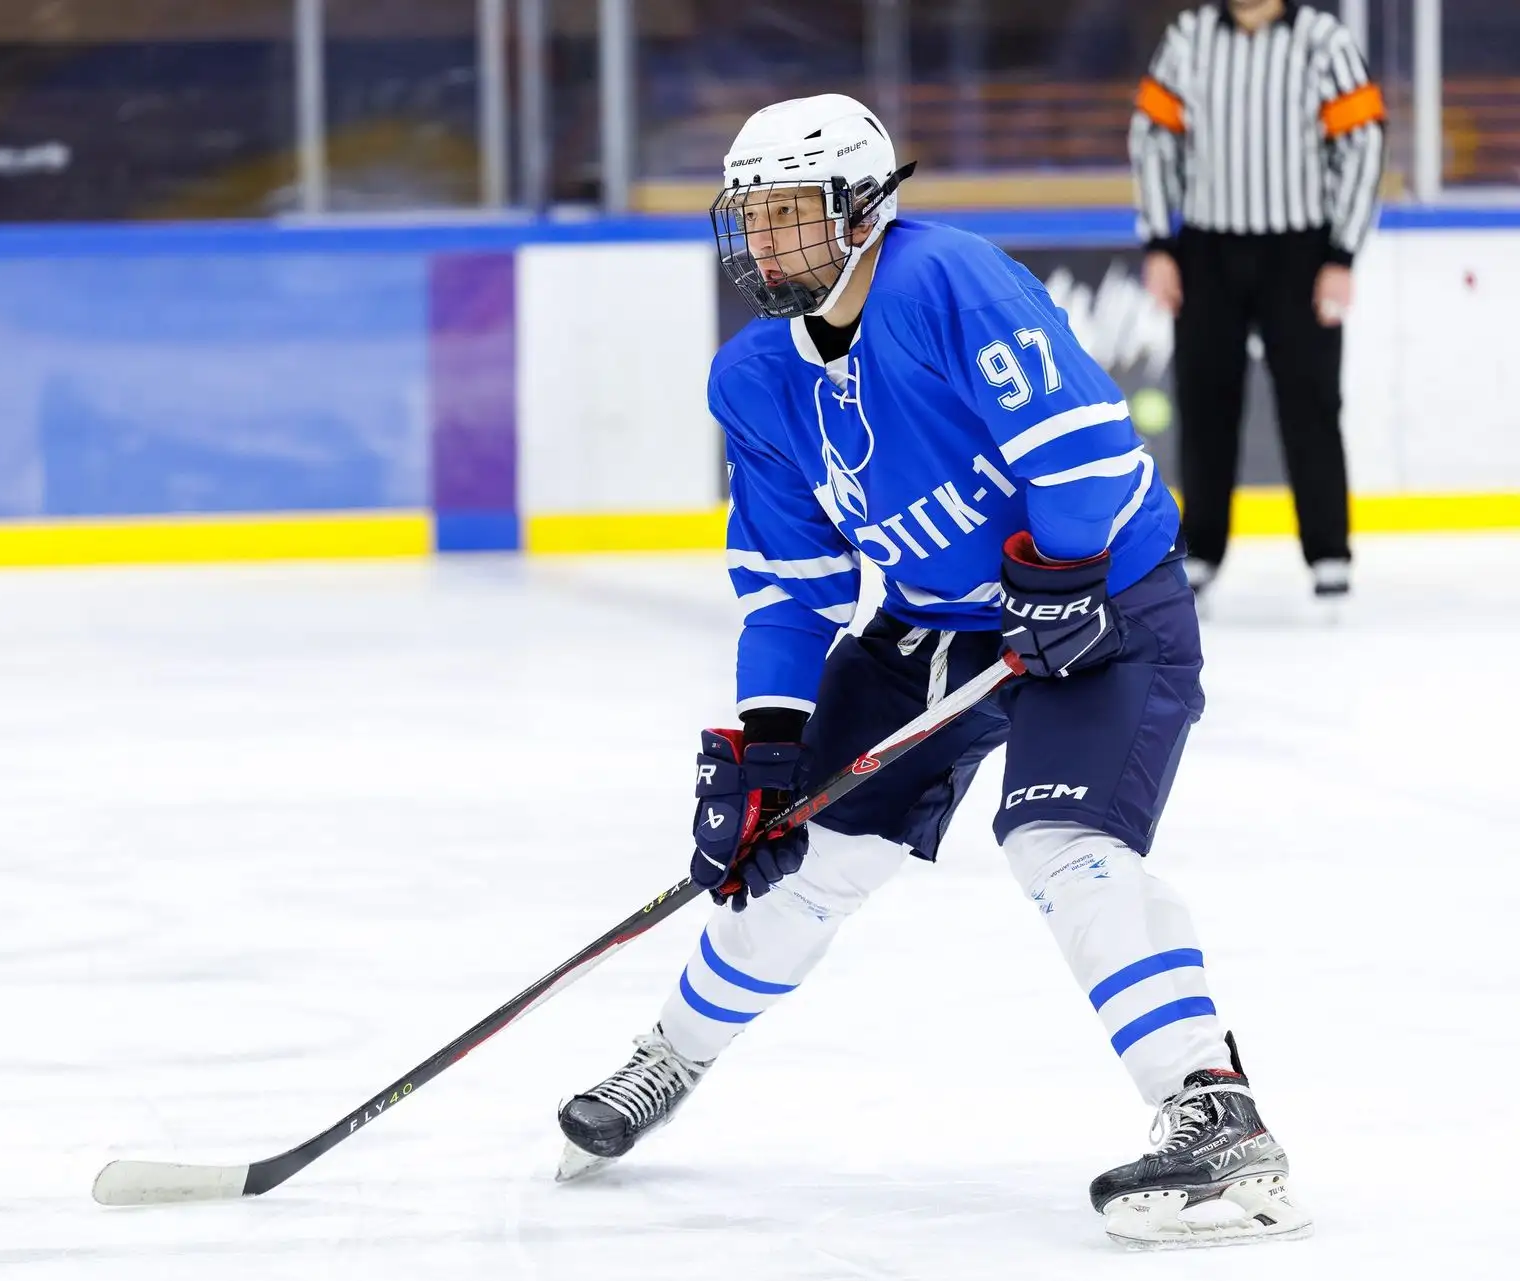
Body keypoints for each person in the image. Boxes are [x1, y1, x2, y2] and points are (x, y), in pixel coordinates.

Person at [552, 93, 1310, 1250]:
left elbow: (1083, 448)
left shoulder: (946, 280)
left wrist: (1062, 575)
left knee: (1061, 843)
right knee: (801, 852)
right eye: (751, 218)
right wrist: (768, 745)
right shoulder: (753, 378)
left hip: (1104, 602)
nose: (765, 243)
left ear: (863, 210)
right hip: (931, 630)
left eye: (791, 214)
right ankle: (669, 1057)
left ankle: (1218, 1118)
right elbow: (790, 588)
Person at [1130, 0, 1386, 607]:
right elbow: (1151, 137)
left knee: (1311, 400)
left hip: (1301, 251)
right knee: (1204, 400)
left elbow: (1364, 142)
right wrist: (1159, 242)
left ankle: (1328, 551)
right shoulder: (1189, 37)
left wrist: (1342, 252)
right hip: (1207, 249)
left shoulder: (1323, 41)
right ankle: (1203, 549)